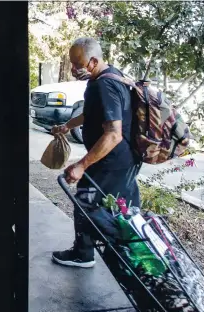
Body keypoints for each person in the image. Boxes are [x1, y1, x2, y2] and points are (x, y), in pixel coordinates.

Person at [51, 37, 141, 268]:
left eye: (77, 63)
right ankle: (130, 256)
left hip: (111, 162)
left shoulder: (104, 85)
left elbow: (113, 134)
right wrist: (69, 126)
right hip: (124, 161)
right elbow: (92, 113)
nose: (73, 69)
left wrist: (81, 165)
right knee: (124, 209)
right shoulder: (108, 76)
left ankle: (87, 254)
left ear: (93, 60)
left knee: (87, 201)